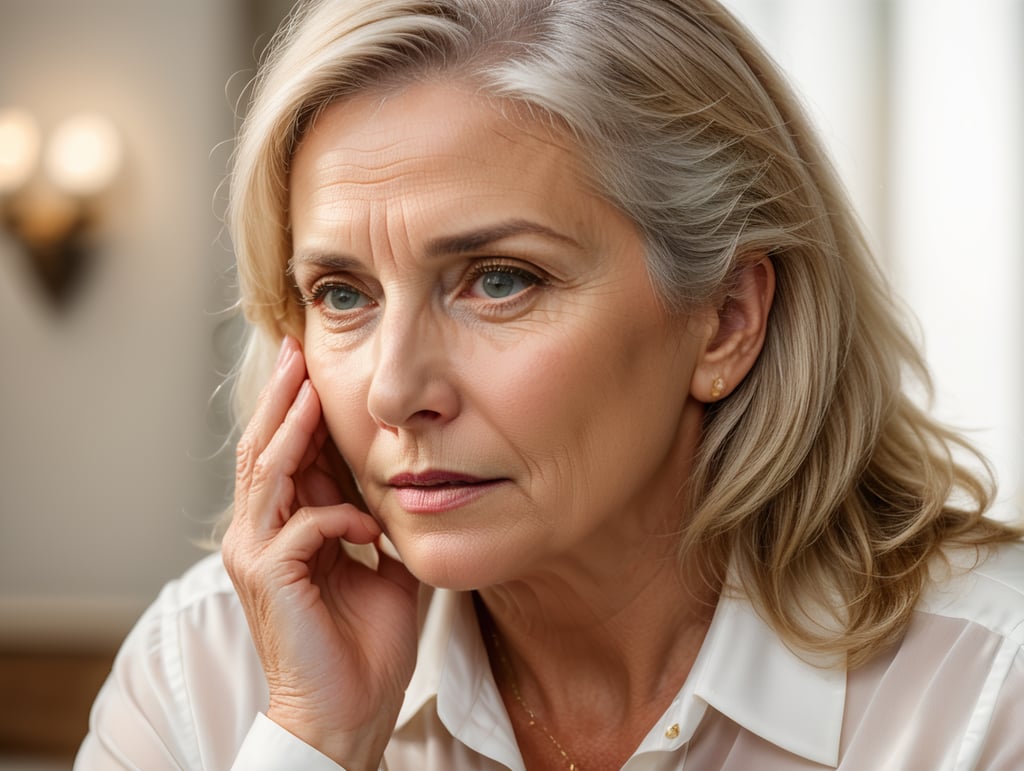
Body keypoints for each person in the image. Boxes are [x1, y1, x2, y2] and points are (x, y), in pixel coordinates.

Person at [75, 0, 1024, 769]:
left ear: (728, 317)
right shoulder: (201, 673)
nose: (394, 390)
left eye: (499, 279)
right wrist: (315, 743)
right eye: (342, 294)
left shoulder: (988, 691)